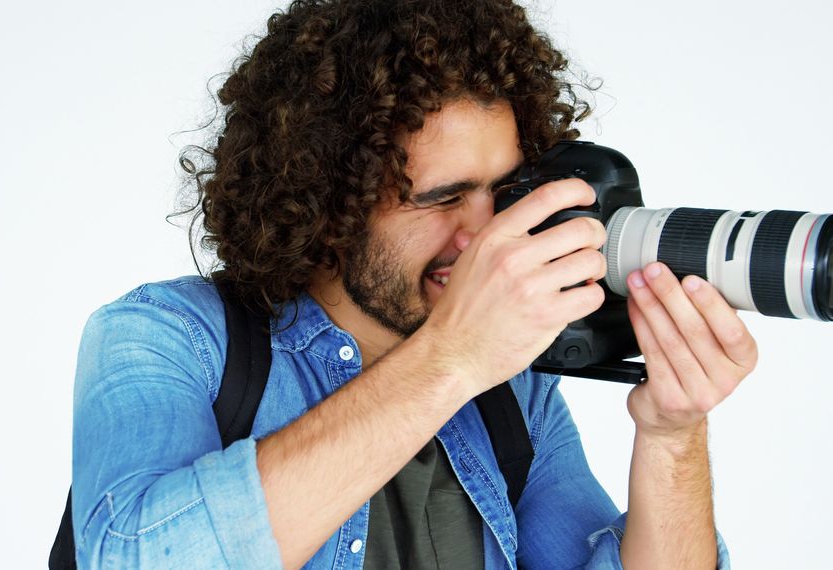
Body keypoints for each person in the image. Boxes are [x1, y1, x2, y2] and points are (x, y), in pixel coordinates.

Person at [70, 0, 756, 567]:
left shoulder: (517, 392)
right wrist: (452, 359)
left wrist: (673, 434)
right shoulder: (171, 336)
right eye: (440, 198)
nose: (485, 235)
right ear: (328, 198)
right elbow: (134, 555)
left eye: (503, 191)